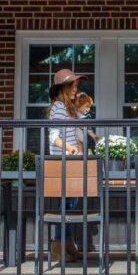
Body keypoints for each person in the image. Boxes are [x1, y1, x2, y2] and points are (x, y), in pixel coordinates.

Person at [47, 68, 86, 263]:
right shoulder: (58, 107)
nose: (75, 89)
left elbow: (79, 131)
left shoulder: (70, 108)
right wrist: (70, 149)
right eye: (73, 85)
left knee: (72, 202)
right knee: (66, 203)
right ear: (63, 87)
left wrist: (80, 149)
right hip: (62, 161)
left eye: (77, 85)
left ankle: (67, 242)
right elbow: (53, 137)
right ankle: (57, 245)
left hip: (73, 161)